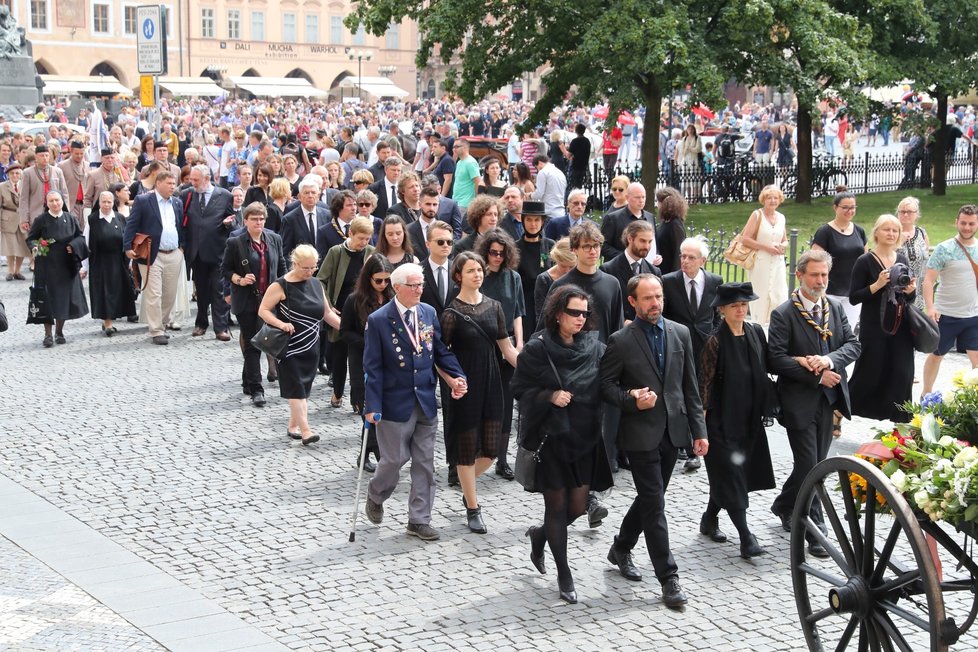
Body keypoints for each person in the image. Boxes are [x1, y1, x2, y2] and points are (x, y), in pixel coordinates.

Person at [600, 274, 708, 609]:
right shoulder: (621, 341)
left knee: (652, 497)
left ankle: (621, 546)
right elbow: (605, 387)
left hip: (673, 431)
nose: (655, 303)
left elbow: (690, 386)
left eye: (658, 296)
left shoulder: (680, 333)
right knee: (656, 504)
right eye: (647, 298)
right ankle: (668, 578)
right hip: (638, 434)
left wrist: (699, 431)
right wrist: (632, 398)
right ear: (632, 302)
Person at [514, 284, 612, 604]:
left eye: (585, 313)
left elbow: (608, 383)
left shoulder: (593, 347)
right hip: (552, 439)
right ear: (558, 315)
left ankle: (540, 535)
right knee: (556, 507)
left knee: (578, 506)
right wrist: (549, 396)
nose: (581, 319)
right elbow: (519, 390)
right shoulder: (537, 348)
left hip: (584, 438)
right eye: (574, 313)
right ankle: (563, 573)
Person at [362, 263, 468, 542]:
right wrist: (372, 405)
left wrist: (457, 376)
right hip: (394, 402)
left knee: (424, 463)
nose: (419, 289)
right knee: (394, 460)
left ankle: (419, 520)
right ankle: (376, 493)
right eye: (413, 285)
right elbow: (372, 367)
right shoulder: (379, 320)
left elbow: (440, 352)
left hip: (425, 399)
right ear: (397, 287)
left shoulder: (428, 313)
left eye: (421, 284)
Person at [768, 249, 861, 558]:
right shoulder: (784, 314)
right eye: (814, 275)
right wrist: (817, 377)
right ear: (800, 276)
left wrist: (829, 361)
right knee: (814, 466)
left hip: (828, 401)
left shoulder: (834, 307)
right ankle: (813, 531)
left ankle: (784, 504)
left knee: (813, 463)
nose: (821, 281)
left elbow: (853, 345)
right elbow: (776, 359)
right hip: (798, 402)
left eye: (824, 275)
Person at [441, 251, 519, 533]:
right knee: (465, 449)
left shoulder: (495, 307)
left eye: (480, 270)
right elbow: (440, 354)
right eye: (471, 270)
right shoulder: (451, 313)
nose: (477, 274)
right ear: (459, 275)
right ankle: (473, 507)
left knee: (492, 449)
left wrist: (531, 370)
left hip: (491, 382)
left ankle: (467, 485)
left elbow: (507, 348)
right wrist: (452, 381)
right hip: (465, 386)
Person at [698, 282, 775, 559]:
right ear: (722, 310)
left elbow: (768, 366)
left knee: (734, 475)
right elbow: (704, 386)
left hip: (749, 418)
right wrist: (701, 428)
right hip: (721, 422)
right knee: (730, 476)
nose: (740, 309)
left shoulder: (755, 332)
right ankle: (746, 537)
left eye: (744, 304)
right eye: (734, 305)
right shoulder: (715, 341)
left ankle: (709, 518)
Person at [258, 244, 341, 444]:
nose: (310, 271)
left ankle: (293, 425)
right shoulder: (280, 285)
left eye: (313, 267)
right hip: (290, 347)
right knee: (296, 390)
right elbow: (264, 310)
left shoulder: (315, 284)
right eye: (305, 268)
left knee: (304, 389)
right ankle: (306, 430)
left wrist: (347, 329)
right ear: (294, 263)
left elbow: (327, 313)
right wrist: (281, 323)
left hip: (311, 345)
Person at [848, 214, 917, 422]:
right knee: (869, 372)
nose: (891, 233)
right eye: (886, 229)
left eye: (895, 230)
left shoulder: (902, 259)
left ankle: (901, 422)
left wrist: (910, 291)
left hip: (900, 325)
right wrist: (877, 285)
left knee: (903, 373)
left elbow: (910, 297)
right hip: (874, 326)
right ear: (876, 232)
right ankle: (841, 410)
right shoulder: (864, 261)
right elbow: (854, 297)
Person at [222, 202, 287, 408]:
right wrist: (239, 280)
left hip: (270, 300)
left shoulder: (274, 239)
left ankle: (247, 381)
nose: (258, 222)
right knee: (252, 344)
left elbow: (282, 264)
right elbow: (225, 269)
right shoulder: (236, 242)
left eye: (261, 219)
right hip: (247, 300)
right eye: (254, 219)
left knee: (265, 339)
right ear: (246, 221)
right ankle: (257, 389)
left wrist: (284, 289)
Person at [475, 229, 526, 480]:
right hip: (483, 344)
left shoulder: (513, 277)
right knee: (483, 401)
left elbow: (517, 311)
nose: (496, 257)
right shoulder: (478, 276)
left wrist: (519, 342)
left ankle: (503, 459)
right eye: (493, 252)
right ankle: (478, 453)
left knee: (506, 403)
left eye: (501, 253)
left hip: (508, 345)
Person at [340, 253, 394, 473]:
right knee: (369, 409)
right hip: (362, 362)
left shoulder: (393, 298)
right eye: (378, 280)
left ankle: (369, 453)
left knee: (384, 409)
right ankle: (374, 452)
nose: (383, 285)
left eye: (387, 280)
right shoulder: (354, 300)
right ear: (368, 278)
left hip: (389, 362)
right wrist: (370, 342)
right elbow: (344, 332)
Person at [316, 216, 376, 409]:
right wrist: (328, 304)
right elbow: (320, 280)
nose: (364, 243)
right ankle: (337, 392)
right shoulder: (336, 252)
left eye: (367, 239)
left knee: (360, 358)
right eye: (361, 238)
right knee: (339, 356)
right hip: (340, 312)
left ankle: (358, 399)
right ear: (350, 234)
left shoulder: (371, 253)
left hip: (364, 313)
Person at [123, 171, 186, 346]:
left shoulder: (177, 203)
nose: (173, 186)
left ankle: (163, 324)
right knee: (154, 293)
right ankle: (156, 330)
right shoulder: (143, 201)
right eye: (169, 183)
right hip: (152, 254)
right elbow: (132, 224)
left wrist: (182, 247)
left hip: (174, 253)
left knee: (170, 294)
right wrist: (127, 246)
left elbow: (180, 226)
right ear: (158, 183)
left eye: (174, 183)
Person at [921, 205, 978, 396]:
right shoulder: (944, 248)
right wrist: (931, 307)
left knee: (976, 361)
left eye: (971, 223)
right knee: (937, 356)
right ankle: (926, 394)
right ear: (956, 222)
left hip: (973, 315)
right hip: (945, 314)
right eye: (963, 223)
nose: (967, 227)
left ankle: (973, 401)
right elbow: (928, 280)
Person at [25, 190, 89, 347]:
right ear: (47, 203)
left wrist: (73, 246)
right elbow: (31, 238)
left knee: (63, 300)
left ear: (62, 201)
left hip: (66, 265)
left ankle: (59, 331)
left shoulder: (70, 218)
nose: (55, 203)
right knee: (47, 299)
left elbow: (80, 237)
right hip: (46, 265)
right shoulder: (41, 219)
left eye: (57, 200)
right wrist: (35, 247)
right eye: (51, 201)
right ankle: (47, 334)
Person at [184, 165, 235, 341]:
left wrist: (229, 223)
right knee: (202, 291)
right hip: (196, 253)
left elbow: (234, 222)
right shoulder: (187, 194)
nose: (192, 183)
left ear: (207, 179)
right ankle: (201, 323)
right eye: (191, 179)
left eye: (196, 180)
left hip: (218, 251)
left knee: (219, 290)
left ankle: (221, 328)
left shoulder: (225, 195)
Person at [811, 190, 867, 330]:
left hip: (853, 291)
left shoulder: (859, 231)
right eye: (845, 207)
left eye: (852, 207)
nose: (850, 211)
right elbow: (815, 261)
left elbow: (866, 259)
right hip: (830, 291)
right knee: (829, 330)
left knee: (848, 330)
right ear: (835, 208)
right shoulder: (825, 232)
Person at [83, 191, 136, 337]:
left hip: (118, 261)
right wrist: (84, 267)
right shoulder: (92, 220)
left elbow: (127, 241)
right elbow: (85, 243)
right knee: (104, 293)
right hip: (99, 262)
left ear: (114, 203)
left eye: (109, 202)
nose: (106, 205)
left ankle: (113, 318)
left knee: (118, 292)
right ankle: (107, 323)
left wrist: (130, 261)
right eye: (103, 202)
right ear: (99, 203)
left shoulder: (120, 218)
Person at [739, 185, 789, 326]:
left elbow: (784, 239)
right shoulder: (757, 215)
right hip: (761, 261)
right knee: (761, 296)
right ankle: (758, 325)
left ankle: (776, 325)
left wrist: (783, 246)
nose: (772, 201)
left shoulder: (781, 217)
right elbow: (745, 239)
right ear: (764, 199)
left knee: (779, 295)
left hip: (777, 262)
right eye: (769, 198)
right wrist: (766, 247)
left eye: (775, 198)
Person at [514, 201, 554, 332]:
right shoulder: (514, 248)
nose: (533, 224)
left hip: (549, 301)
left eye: (537, 220)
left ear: (542, 222)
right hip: (525, 303)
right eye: (529, 220)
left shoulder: (551, 246)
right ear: (523, 220)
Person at [600, 182, 658, 263]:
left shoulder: (650, 217)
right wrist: (625, 257)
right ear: (627, 197)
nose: (641, 200)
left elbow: (654, 242)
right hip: (619, 267)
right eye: (637, 197)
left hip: (645, 268)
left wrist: (656, 255)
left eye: (643, 197)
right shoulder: (613, 218)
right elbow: (603, 245)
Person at [19, 146, 68, 232]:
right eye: (42, 156)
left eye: (46, 155)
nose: (45, 158)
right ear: (36, 157)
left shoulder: (57, 171)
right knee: (39, 242)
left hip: (56, 212)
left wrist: (66, 213)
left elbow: (64, 194)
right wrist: (24, 219)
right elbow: (24, 198)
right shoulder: (28, 173)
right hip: (36, 214)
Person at [897, 196, 930, 311]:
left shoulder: (921, 233)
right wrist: (899, 242)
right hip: (899, 288)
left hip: (918, 288)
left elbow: (927, 257)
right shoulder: (892, 231)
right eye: (902, 211)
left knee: (916, 325)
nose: (906, 215)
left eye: (910, 212)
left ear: (916, 214)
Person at [534, 237, 576, 322]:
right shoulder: (544, 279)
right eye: (563, 266)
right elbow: (541, 315)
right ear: (556, 261)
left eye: (571, 267)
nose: (567, 271)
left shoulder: (581, 276)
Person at [0, 163, 27, 280]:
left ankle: (17, 271)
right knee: (10, 246)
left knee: (22, 245)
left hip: (22, 219)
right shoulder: (2, 186)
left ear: (21, 175)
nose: (15, 175)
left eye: (17, 173)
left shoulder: (25, 185)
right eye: (12, 173)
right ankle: (10, 271)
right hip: (8, 217)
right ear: (8, 175)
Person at [653, 188, 687, 275]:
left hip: (669, 272)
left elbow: (678, 253)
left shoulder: (675, 224)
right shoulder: (665, 222)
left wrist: (674, 276)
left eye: (658, 201)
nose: (657, 205)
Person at [566, 123, 591, 190]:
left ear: (576, 131)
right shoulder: (587, 141)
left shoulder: (575, 141)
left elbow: (569, 155)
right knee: (579, 185)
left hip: (575, 165)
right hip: (584, 165)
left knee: (572, 185)